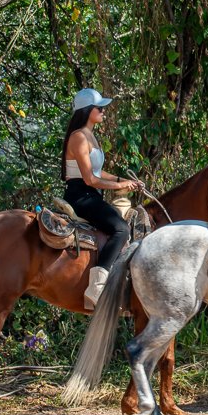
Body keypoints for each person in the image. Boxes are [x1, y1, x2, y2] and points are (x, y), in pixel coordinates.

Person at [61, 88, 142, 309]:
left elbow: (97, 172)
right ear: (88, 111)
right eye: (100, 108)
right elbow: (89, 179)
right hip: (80, 194)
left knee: (120, 223)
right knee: (121, 229)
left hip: (90, 193)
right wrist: (119, 185)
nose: (104, 111)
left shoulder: (90, 135)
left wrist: (122, 178)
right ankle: (96, 289)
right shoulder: (78, 137)